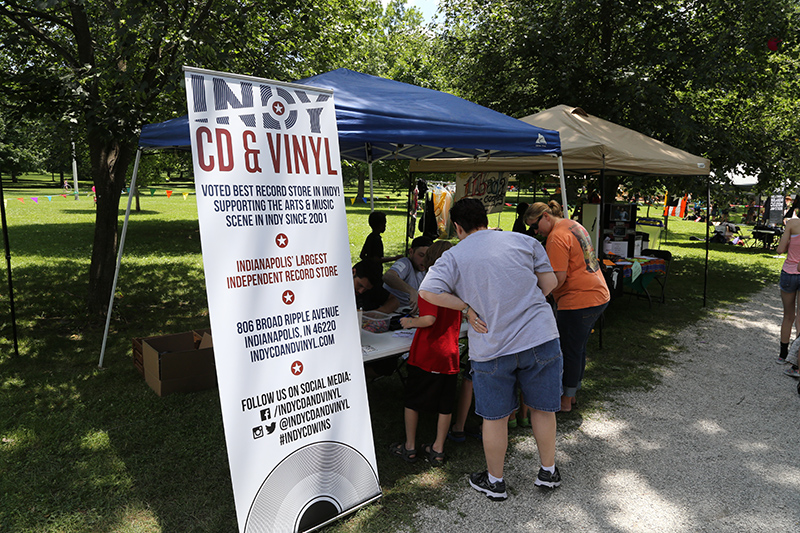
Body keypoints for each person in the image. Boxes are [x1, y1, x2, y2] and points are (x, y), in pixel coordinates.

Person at [419, 198, 563, 501]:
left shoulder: (454, 255)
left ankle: (496, 481)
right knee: (543, 408)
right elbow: (549, 284)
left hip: (492, 345)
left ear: (458, 227)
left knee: (494, 418)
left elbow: (427, 290)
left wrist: (466, 308)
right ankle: (548, 471)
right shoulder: (525, 241)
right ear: (485, 219)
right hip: (539, 336)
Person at [525, 201, 610, 411]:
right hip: (597, 293)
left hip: (579, 300)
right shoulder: (572, 224)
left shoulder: (556, 237)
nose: (535, 232)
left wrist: (538, 295)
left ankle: (565, 401)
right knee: (577, 349)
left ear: (546, 216)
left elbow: (558, 278)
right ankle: (572, 394)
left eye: (535, 226)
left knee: (568, 350)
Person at [390, 241, 461, 466]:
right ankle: (437, 448)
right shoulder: (458, 286)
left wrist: (410, 321)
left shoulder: (430, 285)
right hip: (450, 354)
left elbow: (429, 319)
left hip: (427, 353)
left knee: (412, 401)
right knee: (445, 405)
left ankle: (410, 446)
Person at [775, 218, 800, 377]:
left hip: (790, 272)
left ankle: (783, 354)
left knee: (788, 316)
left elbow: (780, 249)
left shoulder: (792, 223)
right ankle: (797, 360)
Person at [382, 236, 433, 313]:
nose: (425, 260)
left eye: (428, 257)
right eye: (421, 255)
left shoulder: (426, 270)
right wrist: (411, 291)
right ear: (411, 252)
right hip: (393, 313)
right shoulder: (405, 263)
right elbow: (388, 276)